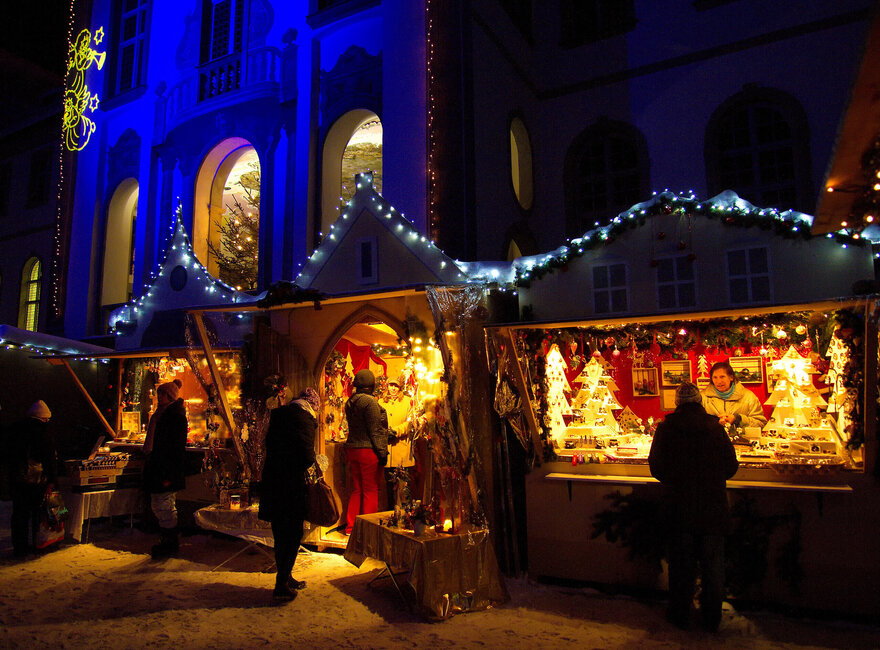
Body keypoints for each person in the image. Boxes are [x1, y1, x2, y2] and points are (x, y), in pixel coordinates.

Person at [649, 381, 739, 632]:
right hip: (712, 509)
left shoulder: (666, 429)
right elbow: (731, 467)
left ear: (677, 403)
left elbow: (656, 468)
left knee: (681, 565)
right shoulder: (715, 428)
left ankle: (679, 614)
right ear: (699, 401)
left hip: (679, 509)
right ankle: (712, 618)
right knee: (713, 567)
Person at [259, 387, 319, 602]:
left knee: (281, 532)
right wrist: (313, 467)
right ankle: (281, 583)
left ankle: (286, 576)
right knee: (293, 533)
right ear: (312, 405)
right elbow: (305, 454)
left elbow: (267, 444)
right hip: (291, 483)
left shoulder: (279, 414)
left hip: (273, 480)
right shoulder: (304, 419)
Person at [142, 379, 187, 559]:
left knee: (164, 503)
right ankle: (168, 538)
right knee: (160, 503)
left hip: (165, 467)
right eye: (158, 393)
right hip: (159, 464)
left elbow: (175, 446)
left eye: (162, 394)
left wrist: (169, 472)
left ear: (170, 396)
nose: (159, 397)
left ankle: (170, 540)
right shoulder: (161, 414)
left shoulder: (174, 415)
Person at [7, 400, 58, 557]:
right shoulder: (42, 433)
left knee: (20, 514)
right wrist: (52, 480)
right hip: (36, 479)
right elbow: (49, 458)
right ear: (44, 418)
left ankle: (20, 546)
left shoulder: (15, 430)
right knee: (38, 513)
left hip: (17, 478)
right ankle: (40, 543)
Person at [343, 369, 389, 535]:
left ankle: (350, 527)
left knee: (357, 489)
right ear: (371, 385)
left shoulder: (351, 401)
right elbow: (375, 430)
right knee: (370, 490)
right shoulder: (370, 402)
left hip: (352, 448)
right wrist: (382, 453)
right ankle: (369, 530)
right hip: (367, 450)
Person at [702, 360, 767, 430]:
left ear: (731, 377)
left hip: (741, 440)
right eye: (715, 377)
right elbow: (695, 423)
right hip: (713, 440)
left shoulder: (749, 397)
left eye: (722, 377)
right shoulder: (702, 398)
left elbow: (761, 424)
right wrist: (714, 422)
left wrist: (738, 419)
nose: (718, 381)